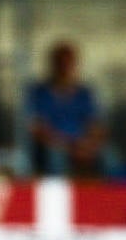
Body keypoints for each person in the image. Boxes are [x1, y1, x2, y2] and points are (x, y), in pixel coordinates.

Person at [25, 41, 106, 178]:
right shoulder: (38, 92)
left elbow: (97, 125)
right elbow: (36, 128)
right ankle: (57, 198)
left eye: (68, 63)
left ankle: (112, 199)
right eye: (61, 63)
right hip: (55, 145)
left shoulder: (85, 93)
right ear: (53, 64)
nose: (65, 68)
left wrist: (88, 144)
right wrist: (67, 145)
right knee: (55, 157)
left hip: (82, 145)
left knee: (110, 157)